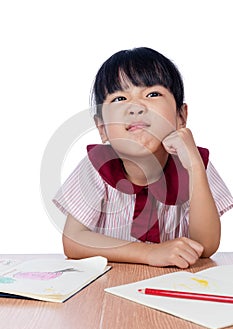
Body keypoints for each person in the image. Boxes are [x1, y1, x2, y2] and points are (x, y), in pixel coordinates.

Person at [53, 47, 233, 268]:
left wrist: (195, 166)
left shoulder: (194, 161)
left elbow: (206, 245)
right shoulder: (98, 166)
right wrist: (149, 253)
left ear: (181, 116)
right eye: (120, 98)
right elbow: (73, 240)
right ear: (102, 128)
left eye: (152, 94)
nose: (136, 107)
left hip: (172, 286)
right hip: (106, 288)